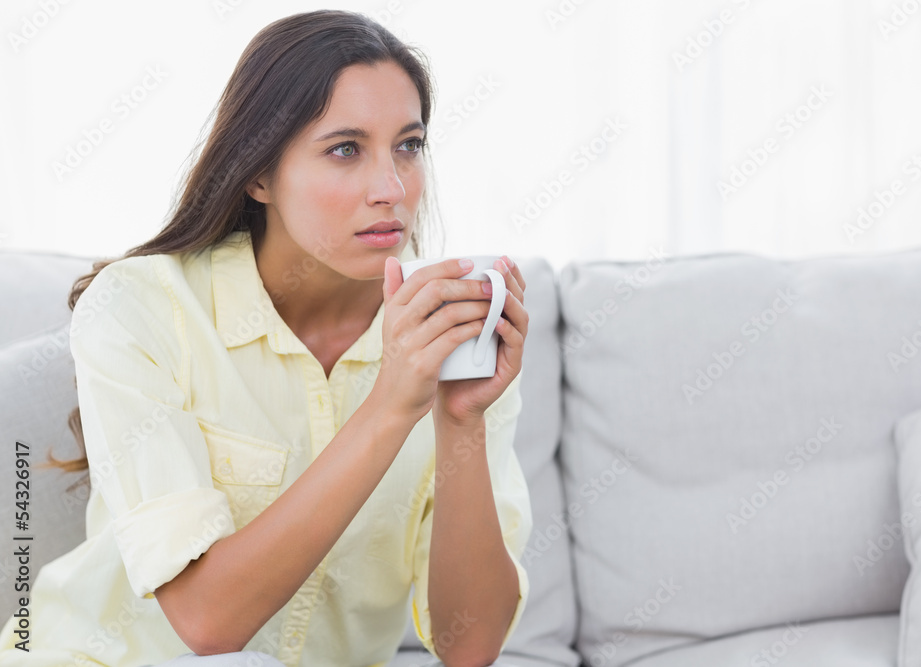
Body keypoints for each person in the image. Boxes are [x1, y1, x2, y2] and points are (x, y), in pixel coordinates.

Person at [0, 9, 532, 667]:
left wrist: (461, 421)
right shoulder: (141, 308)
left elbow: (470, 646)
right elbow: (206, 621)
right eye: (345, 149)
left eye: (409, 144)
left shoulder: (448, 331)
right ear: (259, 174)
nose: (392, 188)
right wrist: (391, 405)